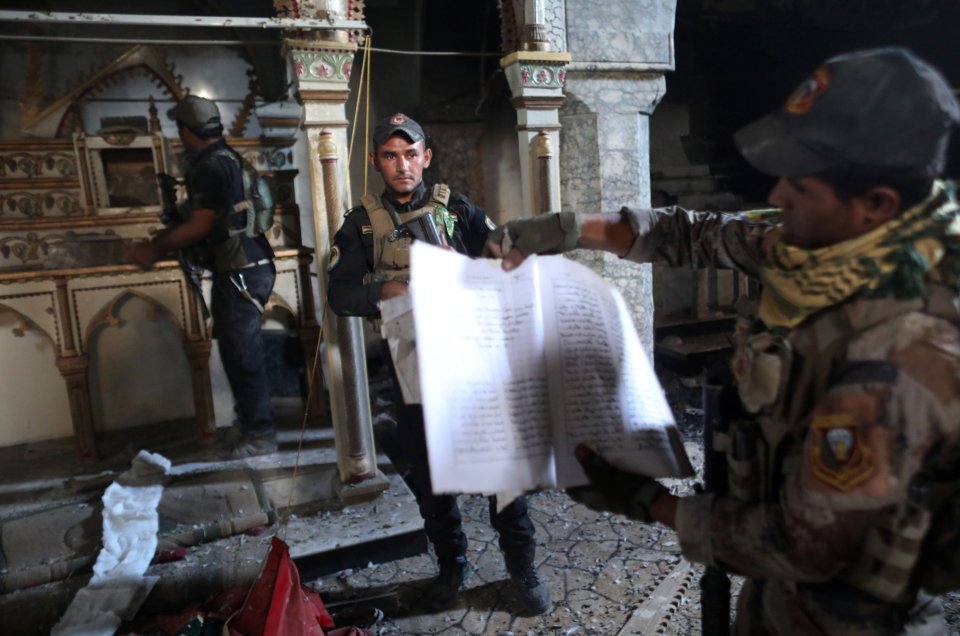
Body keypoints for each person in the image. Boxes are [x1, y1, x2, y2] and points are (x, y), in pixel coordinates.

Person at [485, 47, 960, 635]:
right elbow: (700, 235)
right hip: (780, 604)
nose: (778, 194)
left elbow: (799, 546)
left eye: (801, 185)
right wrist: (567, 228)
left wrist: (645, 501)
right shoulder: (823, 253)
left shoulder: (898, 357)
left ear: (875, 205)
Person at [327, 113, 552, 615]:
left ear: (426, 157)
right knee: (431, 477)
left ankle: (524, 572)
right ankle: (452, 569)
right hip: (412, 367)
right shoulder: (361, 225)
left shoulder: (460, 212)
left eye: (411, 154)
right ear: (376, 162)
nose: (402, 165)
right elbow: (339, 293)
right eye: (390, 155)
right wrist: (385, 289)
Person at [128, 95, 278, 458]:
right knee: (235, 351)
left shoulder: (211, 166)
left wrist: (155, 247)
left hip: (241, 269)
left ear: (185, 130)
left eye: (179, 130)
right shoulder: (224, 158)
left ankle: (260, 434)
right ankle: (250, 426)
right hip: (243, 267)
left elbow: (201, 225)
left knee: (242, 355)